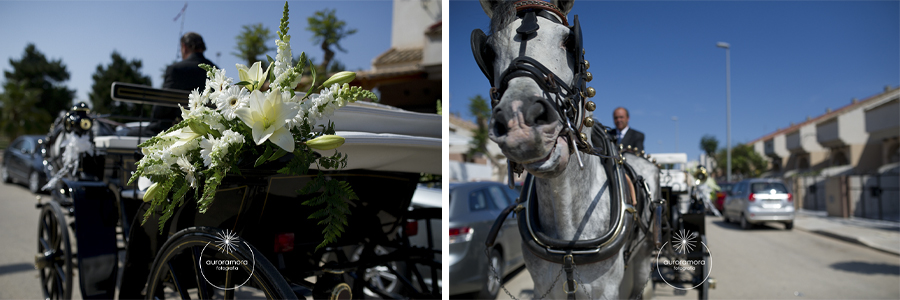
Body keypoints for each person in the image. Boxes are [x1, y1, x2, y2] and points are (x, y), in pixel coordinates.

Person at [145, 32, 217, 134]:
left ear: (184, 47)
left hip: (177, 129)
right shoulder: (216, 70)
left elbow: (162, 107)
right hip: (209, 130)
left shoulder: (175, 69)